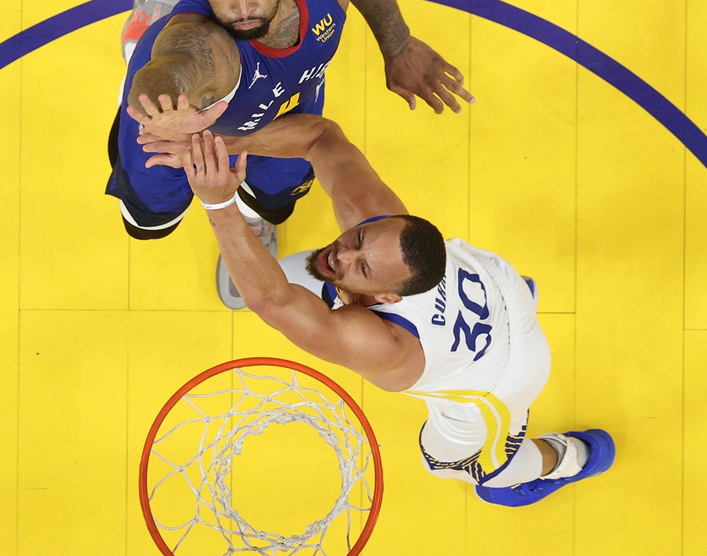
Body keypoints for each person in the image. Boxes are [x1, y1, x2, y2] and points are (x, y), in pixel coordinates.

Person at [134, 114, 615, 506]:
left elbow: (271, 300)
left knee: (447, 463)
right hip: (497, 281)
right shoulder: (376, 219)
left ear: (387, 299)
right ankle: (514, 302)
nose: (342, 254)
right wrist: (222, 142)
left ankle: (568, 458)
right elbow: (323, 137)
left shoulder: (383, 344)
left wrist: (220, 205)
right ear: (381, 222)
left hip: (505, 375)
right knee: (307, 273)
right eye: (358, 239)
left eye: (361, 268)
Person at [106, 0, 471, 309]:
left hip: (289, 112)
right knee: (149, 223)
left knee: (272, 203)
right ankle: (144, 38)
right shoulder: (206, 43)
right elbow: (173, 70)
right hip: (181, 125)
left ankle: (251, 224)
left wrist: (397, 41)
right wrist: (159, 103)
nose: (242, 10)